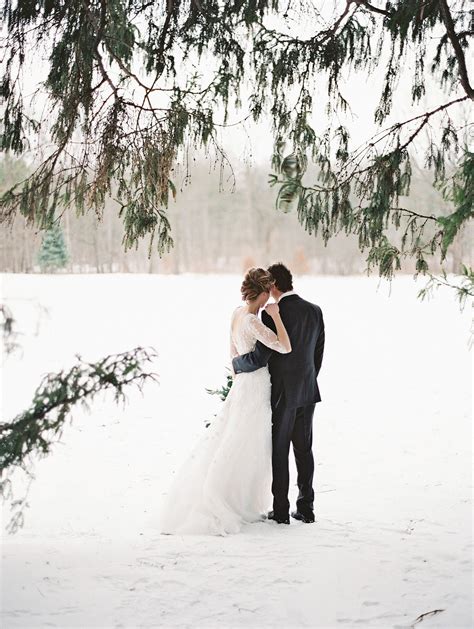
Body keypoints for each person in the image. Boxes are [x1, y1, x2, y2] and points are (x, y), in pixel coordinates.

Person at [160, 268, 291, 535]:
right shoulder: (254, 322)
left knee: (234, 437)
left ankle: (233, 495)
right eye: (268, 294)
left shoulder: (236, 314)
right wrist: (276, 318)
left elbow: (232, 352)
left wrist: (238, 375)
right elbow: (285, 346)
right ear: (264, 292)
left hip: (242, 384)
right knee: (249, 441)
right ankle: (232, 499)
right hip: (255, 386)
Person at [233, 263, 325, 525]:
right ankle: (306, 508)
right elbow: (317, 355)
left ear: (273, 286)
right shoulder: (315, 311)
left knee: (280, 451)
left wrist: (237, 365)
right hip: (308, 391)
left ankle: (281, 511)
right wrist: (306, 380)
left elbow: (262, 357)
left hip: (282, 393)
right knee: (304, 450)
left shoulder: (271, 313)